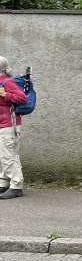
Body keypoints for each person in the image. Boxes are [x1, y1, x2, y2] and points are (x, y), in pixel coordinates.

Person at [0, 56, 27, 199]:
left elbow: (22, 98)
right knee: (5, 155)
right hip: (4, 125)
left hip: (9, 125)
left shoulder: (7, 82)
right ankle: (4, 184)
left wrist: (6, 95)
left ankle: (16, 186)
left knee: (7, 156)